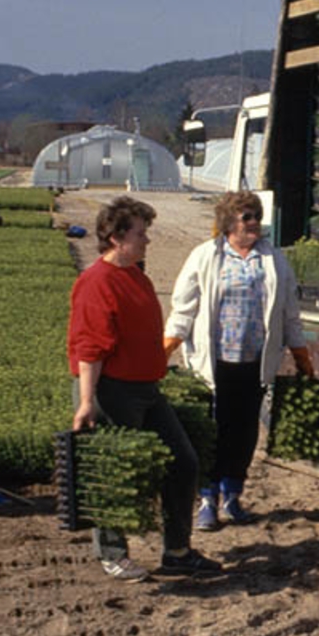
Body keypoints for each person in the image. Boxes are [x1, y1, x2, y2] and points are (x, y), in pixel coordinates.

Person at [68, 196, 223, 583]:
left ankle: (177, 551)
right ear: (116, 236)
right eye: (141, 233)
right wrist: (87, 401)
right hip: (110, 391)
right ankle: (113, 554)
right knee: (116, 473)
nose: (147, 241)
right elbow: (90, 347)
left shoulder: (136, 275)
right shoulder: (96, 283)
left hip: (146, 389)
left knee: (182, 461)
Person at [163, 190, 314, 531]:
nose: (253, 224)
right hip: (214, 364)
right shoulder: (205, 257)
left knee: (244, 432)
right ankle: (207, 499)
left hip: (255, 362)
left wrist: (300, 352)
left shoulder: (273, 260)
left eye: (255, 217)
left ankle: (233, 496)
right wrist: (168, 345)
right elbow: (183, 308)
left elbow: (289, 312)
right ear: (228, 222)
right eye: (246, 217)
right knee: (213, 430)